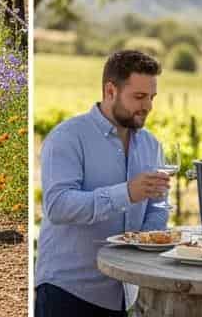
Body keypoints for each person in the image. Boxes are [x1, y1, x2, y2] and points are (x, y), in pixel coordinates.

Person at [35, 49, 170, 317]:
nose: (148, 106)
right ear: (111, 91)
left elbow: (158, 205)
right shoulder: (68, 137)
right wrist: (127, 193)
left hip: (122, 296)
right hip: (68, 294)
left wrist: (149, 239)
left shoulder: (151, 145)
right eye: (139, 97)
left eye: (152, 97)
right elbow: (58, 206)